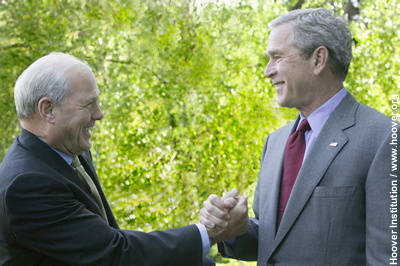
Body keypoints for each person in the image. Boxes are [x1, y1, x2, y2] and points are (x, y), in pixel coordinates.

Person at [0, 52, 248, 265]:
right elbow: (115, 253)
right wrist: (211, 233)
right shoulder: (27, 184)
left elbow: (105, 239)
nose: (99, 114)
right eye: (88, 104)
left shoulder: (69, 152)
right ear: (48, 110)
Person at [200, 8, 399, 265]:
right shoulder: (276, 142)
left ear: (318, 60)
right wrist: (231, 229)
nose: (267, 71)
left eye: (277, 57)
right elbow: (274, 241)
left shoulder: (384, 138)